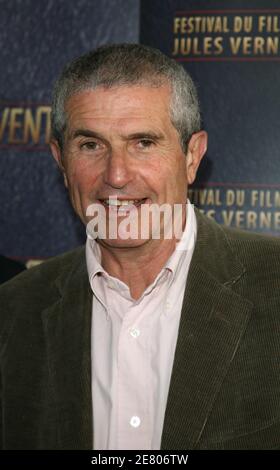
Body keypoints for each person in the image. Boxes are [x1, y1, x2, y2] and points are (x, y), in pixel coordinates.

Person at [0, 44, 279, 451]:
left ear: (192, 156)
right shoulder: (12, 313)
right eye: (91, 145)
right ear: (60, 161)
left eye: (143, 143)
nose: (116, 175)